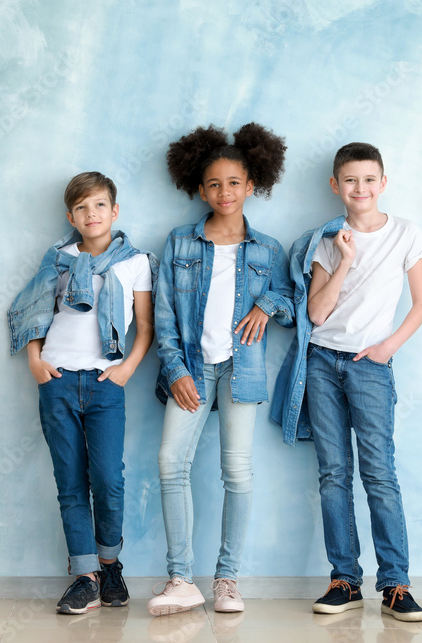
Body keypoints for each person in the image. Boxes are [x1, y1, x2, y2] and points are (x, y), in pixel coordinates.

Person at [274, 142, 422, 622]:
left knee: (379, 474)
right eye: (350, 180)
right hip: (322, 362)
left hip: (370, 367)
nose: (359, 188)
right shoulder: (327, 239)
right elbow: (316, 313)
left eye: (368, 180)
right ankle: (345, 579)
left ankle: (396, 584)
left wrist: (387, 347)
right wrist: (345, 259)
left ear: (382, 183)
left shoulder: (405, 232)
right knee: (333, 474)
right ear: (335, 186)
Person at [148, 124, 293, 616]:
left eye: (234, 182)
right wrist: (175, 371)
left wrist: (267, 305)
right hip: (191, 369)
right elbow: (163, 315)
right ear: (200, 189)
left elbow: (293, 302)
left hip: (241, 370)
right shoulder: (180, 242)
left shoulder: (268, 250)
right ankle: (180, 579)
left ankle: (227, 580)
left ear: (252, 185)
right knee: (171, 463)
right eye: (214, 184)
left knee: (237, 469)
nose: (224, 192)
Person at [8, 171, 157, 614]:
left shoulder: (136, 262)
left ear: (114, 211)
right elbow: (33, 311)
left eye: (99, 205)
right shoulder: (58, 258)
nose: (91, 214)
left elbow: (145, 326)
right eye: (81, 207)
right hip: (57, 382)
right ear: (71, 216)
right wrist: (35, 360)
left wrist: (126, 369)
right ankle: (85, 576)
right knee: (70, 482)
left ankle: (110, 563)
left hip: (104, 383)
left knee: (109, 480)